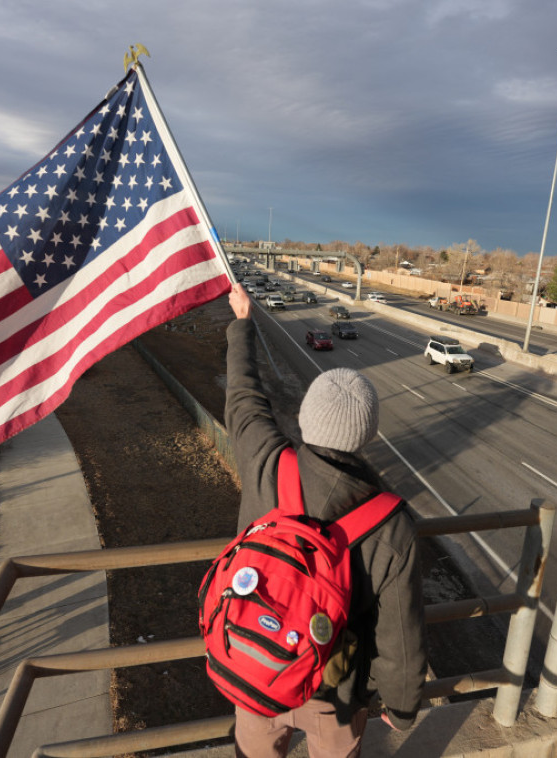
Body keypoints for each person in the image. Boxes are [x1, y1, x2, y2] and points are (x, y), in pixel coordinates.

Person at [224, 283, 426, 757]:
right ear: (369, 433)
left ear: (305, 418)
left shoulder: (266, 461)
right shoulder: (392, 525)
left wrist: (242, 325)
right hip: (333, 691)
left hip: (256, 663)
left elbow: (243, 398)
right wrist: (400, 707)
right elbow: (398, 629)